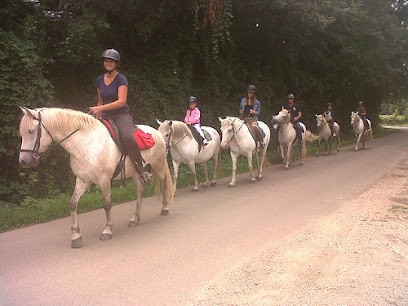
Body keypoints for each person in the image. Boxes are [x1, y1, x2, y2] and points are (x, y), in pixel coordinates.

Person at [89, 48, 151, 185]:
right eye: (106, 61)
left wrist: (100, 108)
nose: (108, 63)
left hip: (121, 114)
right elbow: (100, 101)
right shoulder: (99, 80)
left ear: (116, 64)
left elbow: (121, 101)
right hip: (105, 116)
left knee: (128, 136)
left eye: (112, 61)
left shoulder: (121, 79)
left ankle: (141, 170)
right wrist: (96, 119)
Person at [239, 85, 264, 151]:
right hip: (244, 118)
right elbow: (240, 109)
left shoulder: (257, 102)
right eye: (249, 92)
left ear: (253, 94)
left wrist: (253, 112)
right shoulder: (243, 100)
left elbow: (258, 112)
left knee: (256, 128)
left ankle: (261, 142)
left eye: (251, 93)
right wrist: (242, 111)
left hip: (252, 119)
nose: (250, 94)